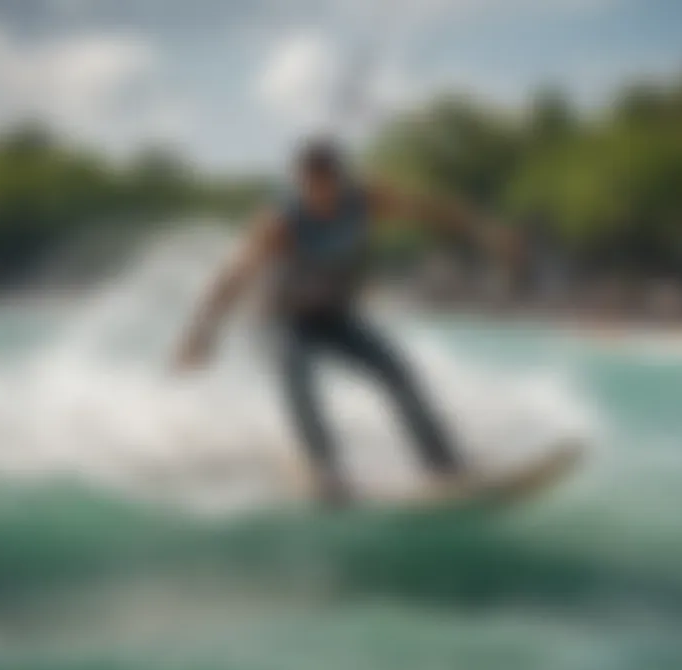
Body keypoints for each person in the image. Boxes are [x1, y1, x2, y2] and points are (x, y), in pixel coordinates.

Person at [174, 138, 515, 507]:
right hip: (282, 323)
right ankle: (326, 470)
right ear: (300, 182)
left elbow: (429, 210)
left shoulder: (365, 201)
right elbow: (234, 276)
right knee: (297, 374)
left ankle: (445, 465)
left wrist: (486, 231)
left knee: (397, 373)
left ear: (340, 179)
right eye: (311, 187)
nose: (320, 196)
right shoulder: (280, 222)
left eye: (327, 185)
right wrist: (201, 334)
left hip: (337, 317)